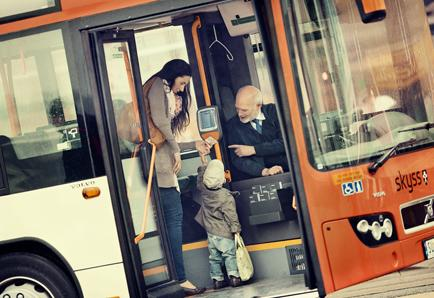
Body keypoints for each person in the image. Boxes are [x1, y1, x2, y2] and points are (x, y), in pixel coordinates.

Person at [146, 59, 209, 295]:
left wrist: (193, 144)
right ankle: (179, 278)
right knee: (173, 220)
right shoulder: (157, 87)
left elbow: (166, 139)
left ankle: (177, 277)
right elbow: (163, 126)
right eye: (182, 83)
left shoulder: (164, 90)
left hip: (163, 169)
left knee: (174, 220)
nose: (183, 89)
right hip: (159, 172)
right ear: (173, 76)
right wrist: (175, 149)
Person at [194, 158, 242, 289]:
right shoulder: (225, 196)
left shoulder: (204, 191)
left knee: (214, 257)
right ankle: (234, 277)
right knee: (229, 255)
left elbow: (200, 181)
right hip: (224, 232)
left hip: (211, 233)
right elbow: (231, 215)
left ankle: (217, 280)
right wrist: (236, 229)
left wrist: (204, 165)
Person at [227, 85, 288, 180]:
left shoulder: (275, 112)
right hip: (258, 179)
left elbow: (285, 142)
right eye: (237, 109)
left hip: (289, 172)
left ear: (258, 105)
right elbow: (238, 160)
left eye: (244, 110)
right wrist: (264, 171)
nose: (239, 114)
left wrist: (253, 150)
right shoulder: (232, 125)